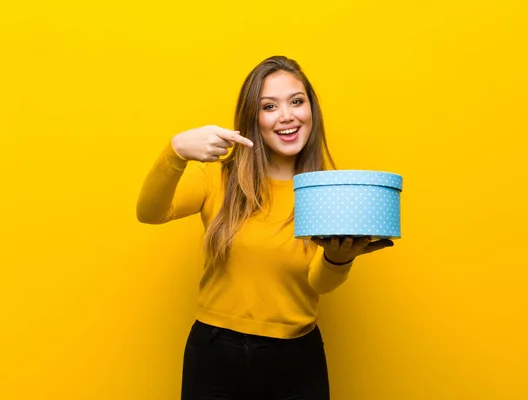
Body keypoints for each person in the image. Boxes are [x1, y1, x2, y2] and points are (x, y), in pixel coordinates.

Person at [136, 55, 394, 400]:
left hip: (297, 356)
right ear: (252, 119)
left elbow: (316, 283)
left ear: (311, 111)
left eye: (296, 101)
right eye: (269, 106)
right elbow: (150, 213)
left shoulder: (325, 190)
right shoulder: (216, 176)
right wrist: (176, 150)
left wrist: (337, 258)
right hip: (215, 351)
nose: (286, 115)